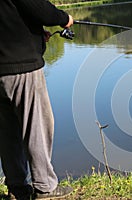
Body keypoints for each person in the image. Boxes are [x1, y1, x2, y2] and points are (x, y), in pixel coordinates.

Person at [0, 0, 74, 199]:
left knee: (8, 133)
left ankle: (17, 187)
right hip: (23, 68)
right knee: (38, 127)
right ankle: (45, 186)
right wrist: (64, 19)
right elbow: (40, 9)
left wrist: (35, 36)